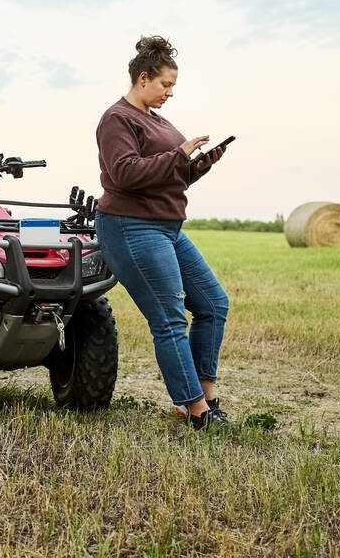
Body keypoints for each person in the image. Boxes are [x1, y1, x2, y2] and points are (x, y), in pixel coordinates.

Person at [94, 35, 231, 430]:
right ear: (142, 79)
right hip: (130, 226)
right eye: (165, 85)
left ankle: (207, 394)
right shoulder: (117, 119)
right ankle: (195, 411)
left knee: (213, 304)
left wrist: (196, 166)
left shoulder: (158, 120)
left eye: (173, 86)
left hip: (168, 226)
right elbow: (125, 173)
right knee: (170, 318)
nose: (170, 93)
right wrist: (178, 154)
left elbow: (167, 176)